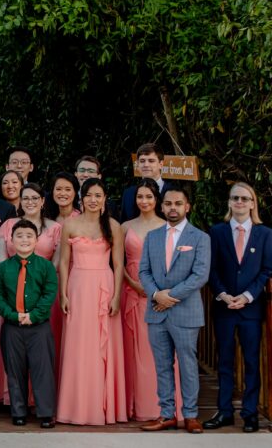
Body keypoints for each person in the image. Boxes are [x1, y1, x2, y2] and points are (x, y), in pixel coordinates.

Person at [138, 184, 210, 434]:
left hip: (185, 312)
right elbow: (143, 271)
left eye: (178, 204)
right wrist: (157, 294)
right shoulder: (152, 237)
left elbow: (200, 275)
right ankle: (167, 414)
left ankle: (190, 414)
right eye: (168, 203)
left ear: (187, 206)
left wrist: (170, 296)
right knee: (162, 364)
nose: (172, 208)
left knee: (188, 364)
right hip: (157, 312)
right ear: (162, 206)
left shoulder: (200, 238)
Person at [56, 178, 126, 425]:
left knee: (101, 348)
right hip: (77, 286)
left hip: (103, 287)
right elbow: (64, 262)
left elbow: (118, 264)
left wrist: (117, 295)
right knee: (78, 347)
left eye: (98, 195)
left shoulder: (114, 226)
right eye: (89, 195)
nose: (93, 200)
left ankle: (102, 406)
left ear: (105, 199)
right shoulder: (70, 225)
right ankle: (75, 406)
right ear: (81, 198)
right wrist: (63, 293)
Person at [203, 182, 272, 433]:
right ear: (229, 202)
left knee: (252, 362)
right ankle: (224, 412)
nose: (240, 202)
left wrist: (246, 296)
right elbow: (211, 269)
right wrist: (222, 294)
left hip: (250, 310)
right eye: (235, 198)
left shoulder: (265, 234)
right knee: (225, 362)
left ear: (253, 203)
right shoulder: (217, 232)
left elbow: (266, 271)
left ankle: (250, 414)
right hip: (223, 308)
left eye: (244, 198)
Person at [0, 182, 62, 404]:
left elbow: (57, 263)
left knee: (41, 355)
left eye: (34, 198)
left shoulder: (55, 227)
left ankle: (41, 403)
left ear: (42, 201)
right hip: (12, 296)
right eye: (25, 198)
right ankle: (13, 400)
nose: (30, 202)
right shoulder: (9, 224)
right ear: (20, 202)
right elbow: (1, 258)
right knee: (13, 354)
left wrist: (38, 300)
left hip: (42, 298)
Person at [0, 219, 57, 428]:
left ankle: (45, 413)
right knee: (14, 371)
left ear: (36, 240)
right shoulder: (4, 268)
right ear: (11, 240)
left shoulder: (46, 266)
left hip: (39, 327)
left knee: (43, 370)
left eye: (29, 236)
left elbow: (49, 294)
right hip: (13, 327)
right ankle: (18, 411)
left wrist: (34, 315)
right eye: (19, 236)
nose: (24, 240)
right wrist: (13, 315)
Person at [121, 179, 173, 422]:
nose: (144, 201)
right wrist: (132, 283)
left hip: (158, 296)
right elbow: (116, 262)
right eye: (140, 197)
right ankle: (131, 404)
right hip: (129, 292)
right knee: (131, 350)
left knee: (155, 351)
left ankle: (157, 406)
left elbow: (172, 265)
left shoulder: (167, 226)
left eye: (149, 197)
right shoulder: (125, 226)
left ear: (156, 200)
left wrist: (155, 290)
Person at [120, 143, 167, 222]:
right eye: (142, 161)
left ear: (161, 164)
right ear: (137, 164)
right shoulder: (128, 194)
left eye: (151, 161)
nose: (146, 165)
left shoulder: (173, 192)